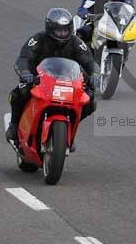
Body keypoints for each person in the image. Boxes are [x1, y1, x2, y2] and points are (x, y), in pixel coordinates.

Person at [6, 8, 100, 147]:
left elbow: (90, 62)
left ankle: (69, 130)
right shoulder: (37, 39)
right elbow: (24, 58)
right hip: (39, 80)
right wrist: (26, 73)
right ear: (50, 28)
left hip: (68, 82)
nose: (63, 34)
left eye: (65, 30)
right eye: (59, 30)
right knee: (20, 92)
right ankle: (14, 125)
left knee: (90, 101)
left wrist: (95, 75)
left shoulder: (76, 43)